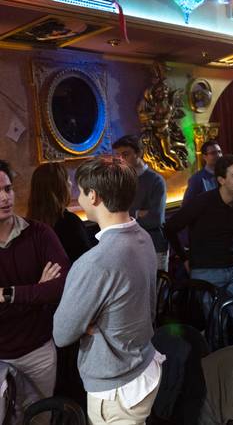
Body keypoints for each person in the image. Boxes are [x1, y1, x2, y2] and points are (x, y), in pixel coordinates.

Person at [53, 156, 162, 425]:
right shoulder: (143, 236)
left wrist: (91, 320)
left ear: (94, 196)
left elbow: (61, 333)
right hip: (143, 366)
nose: (77, 196)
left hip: (117, 387)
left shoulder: (94, 262)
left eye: (80, 191)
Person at [0, 160, 69, 421]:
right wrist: (37, 293)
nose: (4, 198)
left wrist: (9, 295)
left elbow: (62, 286)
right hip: (0, 353)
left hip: (37, 349)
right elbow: (46, 293)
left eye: (8, 189)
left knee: (41, 417)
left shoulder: (39, 233)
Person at [165, 155, 233, 295]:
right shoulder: (202, 203)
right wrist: (185, 259)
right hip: (206, 271)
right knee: (214, 316)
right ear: (221, 180)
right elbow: (170, 228)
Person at [113, 135, 169, 271]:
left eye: (125, 154)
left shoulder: (156, 180)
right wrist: (137, 213)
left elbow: (155, 220)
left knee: (157, 290)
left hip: (154, 245)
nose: (121, 159)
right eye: (118, 155)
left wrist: (127, 215)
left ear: (139, 153)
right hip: (129, 247)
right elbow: (115, 216)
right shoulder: (121, 181)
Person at [27, 162, 92, 262]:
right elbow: (87, 260)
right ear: (60, 188)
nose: (70, 184)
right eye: (68, 180)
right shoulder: (69, 222)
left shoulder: (28, 225)